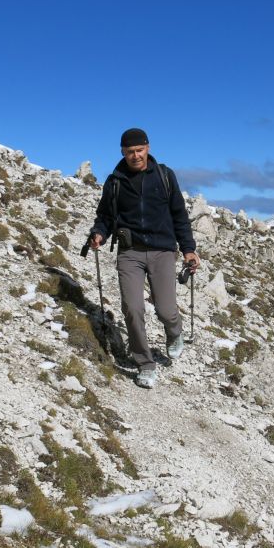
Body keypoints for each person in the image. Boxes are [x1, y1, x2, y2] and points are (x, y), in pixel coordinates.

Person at [88, 128, 200, 389]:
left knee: (166, 309)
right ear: (122, 152)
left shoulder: (164, 176)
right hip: (130, 253)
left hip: (162, 251)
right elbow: (104, 216)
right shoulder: (115, 181)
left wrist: (188, 249)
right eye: (130, 152)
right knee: (132, 308)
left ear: (147, 148)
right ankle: (145, 364)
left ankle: (174, 333)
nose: (135, 155)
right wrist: (98, 234)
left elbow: (179, 215)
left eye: (139, 150)